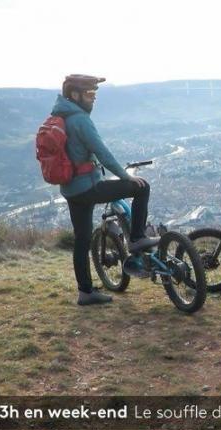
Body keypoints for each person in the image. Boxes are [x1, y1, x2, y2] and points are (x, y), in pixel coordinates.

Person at [53, 74, 159, 306]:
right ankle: (137, 238)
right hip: (88, 187)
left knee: (82, 240)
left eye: (95, 95)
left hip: (71, 190)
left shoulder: (60, 115)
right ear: (74, 95)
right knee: (142, 188)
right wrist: (126, 177)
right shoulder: (79, 119)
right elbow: (102, 153)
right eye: (90, 94)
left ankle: (85, 293)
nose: (93, 99)